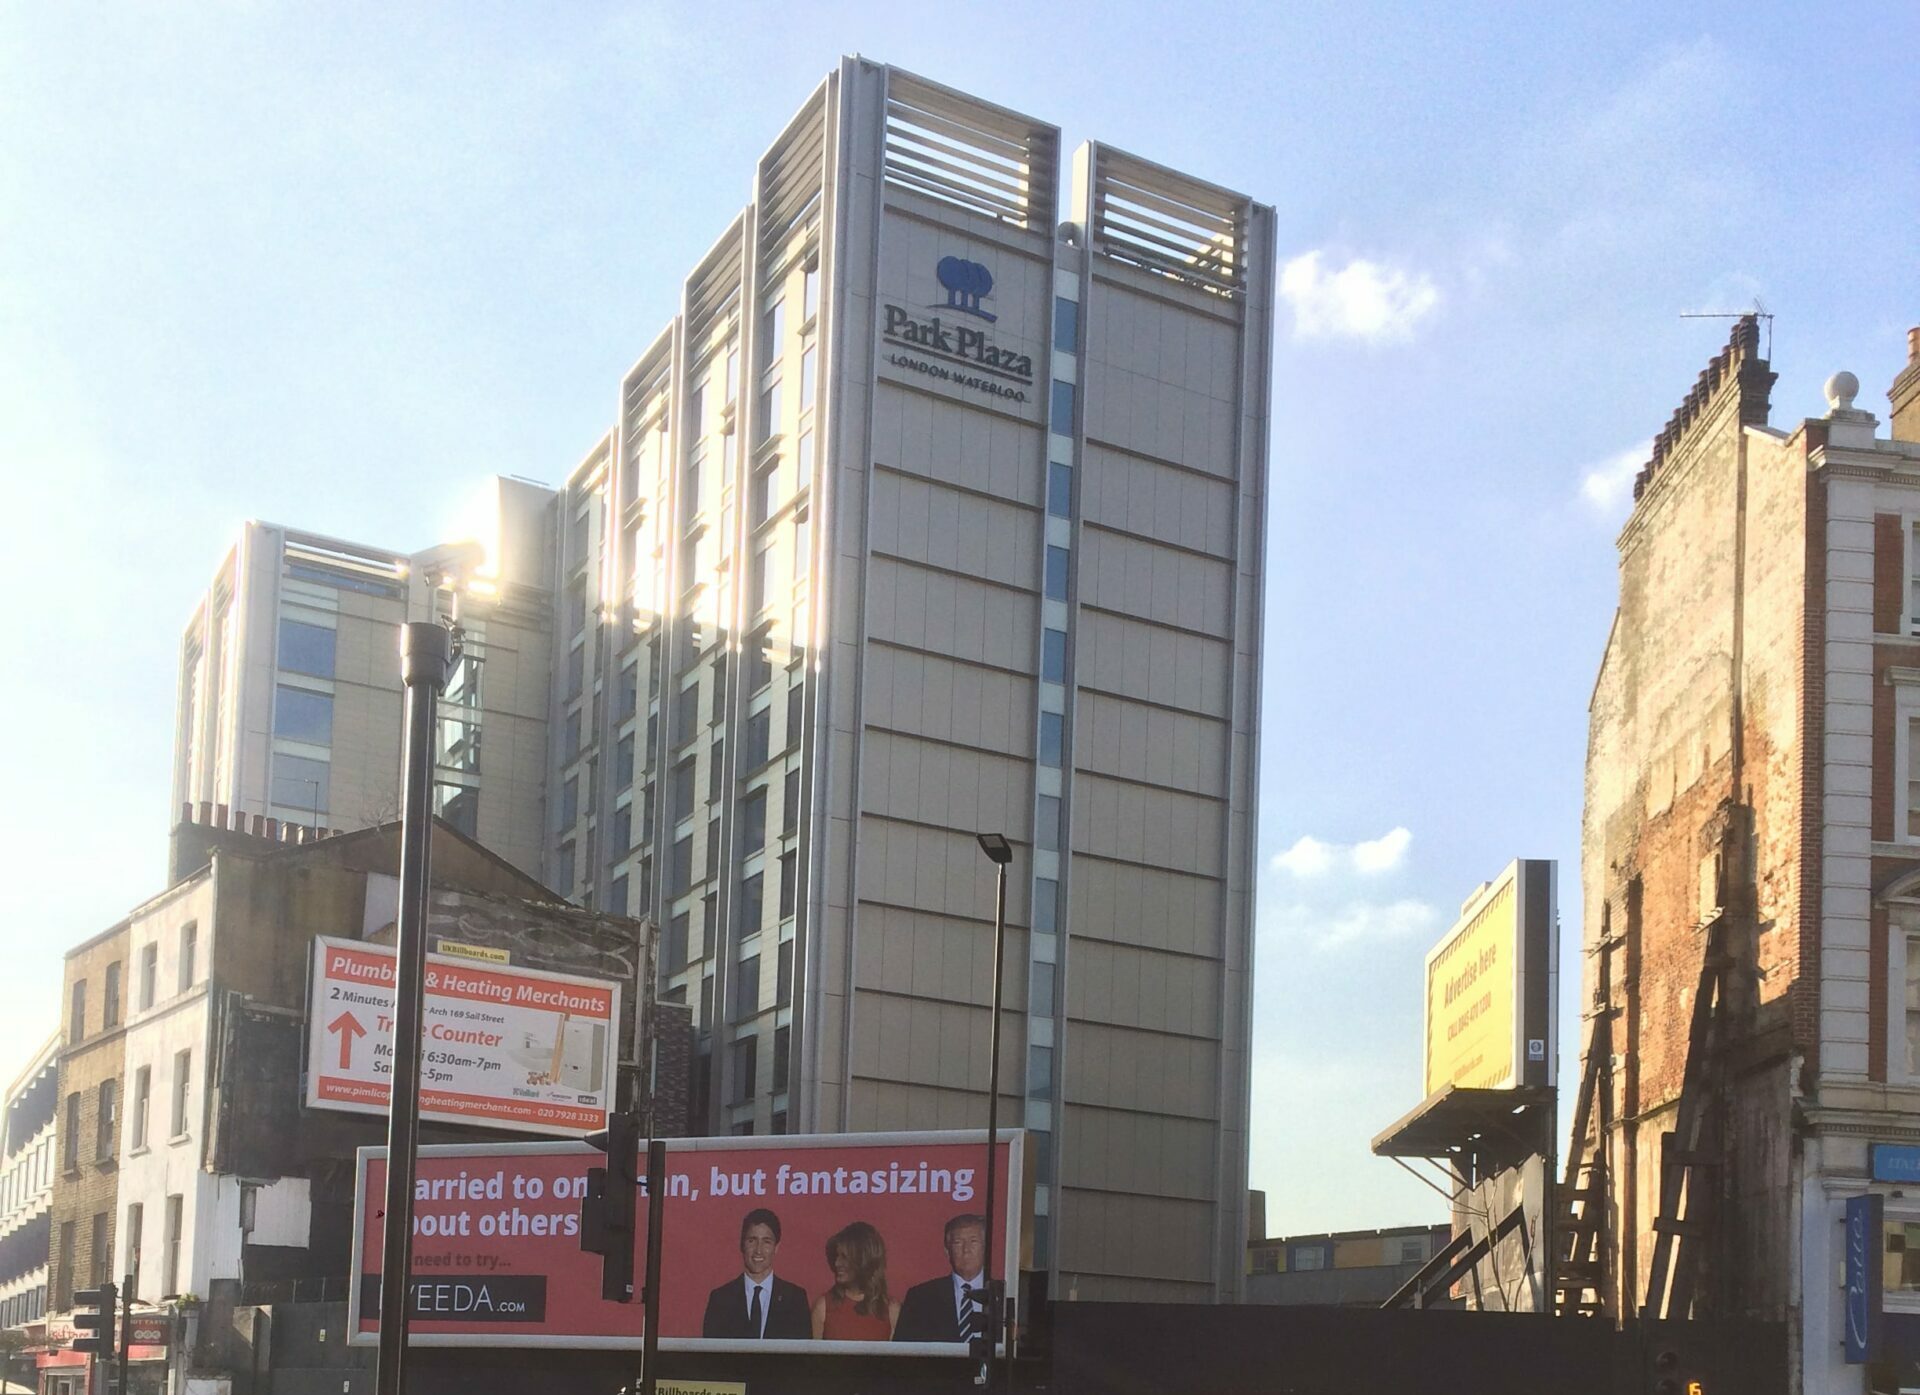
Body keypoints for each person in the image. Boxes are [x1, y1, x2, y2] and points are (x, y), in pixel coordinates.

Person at [701, 1207, 811, 1339]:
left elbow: (802, 1355)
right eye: (752, 1241)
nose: (758, 1250)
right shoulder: (721, 1299)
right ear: (742, 1245)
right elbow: (710, 1355)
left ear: (776, 1247)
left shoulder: (795, 1299)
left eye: (766, 1242)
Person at [892, 1213, 989, 1343]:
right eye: (958, 1242)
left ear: (985, 1247)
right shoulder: (920, 1298)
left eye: (973, 1241)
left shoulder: (1002, 1295)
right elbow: (904, 1352)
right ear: (947, 1251)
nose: (966, 1249)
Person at [811, 1221, 900, 1340]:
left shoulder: (891, 1310)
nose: (837, 1263)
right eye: (836, 1256)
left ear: (863, 1259)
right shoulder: (823, 1307)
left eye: (844, 1257)